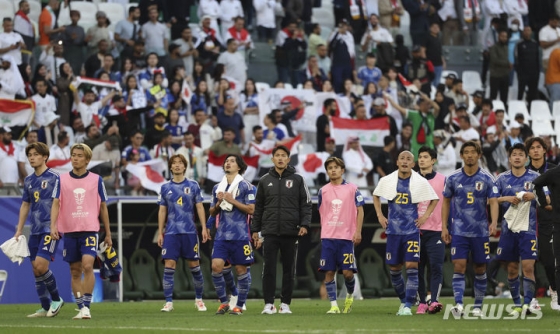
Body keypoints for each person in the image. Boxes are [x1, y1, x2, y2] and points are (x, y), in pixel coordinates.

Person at [372, 150, 439, 316]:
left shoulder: (419, 181)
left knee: (411, 266)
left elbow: (434, 198)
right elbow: (375, 195)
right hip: (394, 231)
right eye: (402, 158)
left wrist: (425, 216)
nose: (405, 161)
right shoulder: (387, 180)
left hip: (411, 231)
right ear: (397, 162)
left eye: (408, 159)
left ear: (413, 164)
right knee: (394, 269)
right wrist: (380, 215)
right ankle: (403, 301)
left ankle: (409, 305)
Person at [50, 143, 112, 320]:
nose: (75, 158)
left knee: (87, 265)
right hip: (69, 231)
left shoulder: (96, 179)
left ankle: (87, 306)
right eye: (73, 155)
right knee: (75, 271)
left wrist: (107, 233)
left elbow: (103, 207)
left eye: (79, 155)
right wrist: (53, 226)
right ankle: (81, 307)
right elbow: (56, 203)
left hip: (90, 230)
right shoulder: (61, 179)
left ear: (87, 159)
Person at [441, 141, 499, 317]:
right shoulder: (453, 178)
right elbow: (445, 202)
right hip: (459, 231)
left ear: (479, 155)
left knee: (480, 268)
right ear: (461, 156)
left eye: (473, 152)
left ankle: (477, 307)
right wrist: (444, 226)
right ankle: (458, 305)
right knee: (459, 266)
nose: (469, 155)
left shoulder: (487, 178)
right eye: (466, 152)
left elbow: (494, 201)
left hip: (480, 232)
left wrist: (494, 222)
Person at [251, 145, 312, 314]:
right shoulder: (264, 180)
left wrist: (305, 225)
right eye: (277, 155)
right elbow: (259, 208)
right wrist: (255, 230)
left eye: (283, 155)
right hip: (269, 232)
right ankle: (268, 304)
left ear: (288, 159)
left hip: (291, 231)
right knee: (269, 269)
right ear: (272, 159)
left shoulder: (298, 179)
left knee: (288, 270)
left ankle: (285, 304)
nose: (280, 158)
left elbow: (306, 205)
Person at [14, 142, 64, 318]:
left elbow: (59, 203)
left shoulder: (55, 177)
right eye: (30, 155)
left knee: (42, 265)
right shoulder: (28, 180)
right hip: (34, 230)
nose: (32, 157)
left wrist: (55, 225)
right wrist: (19, 230)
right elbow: (25, 205)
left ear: (44, 157)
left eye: (35, 154)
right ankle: (45, 306)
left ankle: (57, 299)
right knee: (35, 269)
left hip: (50, 229)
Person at [157, 154, 209, 312]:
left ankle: (199, 299)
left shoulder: (193, 185)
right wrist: (161, 232)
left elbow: (199, 207)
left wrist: (204, 227)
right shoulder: (165, 187)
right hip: (171, 233)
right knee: (169, 265)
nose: (177, 165)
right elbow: (162, 210)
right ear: (171, 167)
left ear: (185, 167)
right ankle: (168, 302)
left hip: (190, 232)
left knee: (194, 266)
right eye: (174, 163)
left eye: (180, 163)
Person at [494, 143, 539, 315]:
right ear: (510, 158)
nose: (518, 157)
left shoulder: (536, 177)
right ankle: (517, 304)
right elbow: (491, 200)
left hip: (528, 230)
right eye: (515, 154)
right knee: (512, 268)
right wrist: (506, 198)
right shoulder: (501, 179)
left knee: (528, 266)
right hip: (508, 231)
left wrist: (534, 195)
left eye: (521, 154)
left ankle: (527, 303)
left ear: (527, 159)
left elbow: (547, 198)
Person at [209, 154, 255, 315]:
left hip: (240, 236)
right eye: (226, 161)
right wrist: (218, 203)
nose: (228, 163)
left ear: (239, 166)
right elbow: (212, 212)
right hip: (222, 235)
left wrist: (232, 200)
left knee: (241, 270)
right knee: (216, 267)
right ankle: (224, 302)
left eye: (232, 161)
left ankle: (240, 305)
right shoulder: (217, 188)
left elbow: (251, 209)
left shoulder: (247, 186)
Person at [318, 157, 364, 314]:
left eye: (336, 167)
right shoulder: (323, 191)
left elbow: (360, 210)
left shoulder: (352, 188)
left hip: (346, 238)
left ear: (342, 170)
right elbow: (322, 212)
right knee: (329, 271)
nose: (333, 170)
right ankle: (333, 306)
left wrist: (357, 231)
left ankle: (350, 296)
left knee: (347, 273)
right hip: (328, 237)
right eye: (330, 167)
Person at [525, 137, 560, 310]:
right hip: (527, 221)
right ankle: (530, 297)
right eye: (532, 148)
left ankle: (554, 289)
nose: (536, 150)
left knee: (548, 260)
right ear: (528, 152)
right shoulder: (522, 172)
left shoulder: (554, 170)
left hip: (548, 220)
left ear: (545, 150)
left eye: (539, 147)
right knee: (528, 261)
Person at [416, 146, 446, 314]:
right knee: (418, 268)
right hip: (416, 231)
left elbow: (449, 204)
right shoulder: (411, 179)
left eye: (425, 157)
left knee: (436, 267)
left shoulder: (443, 180)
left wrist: (447, 226)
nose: (421, 159)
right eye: (420, 157)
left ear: (433, 160)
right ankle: (421, 302)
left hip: (436, 230)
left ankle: (434, 300)